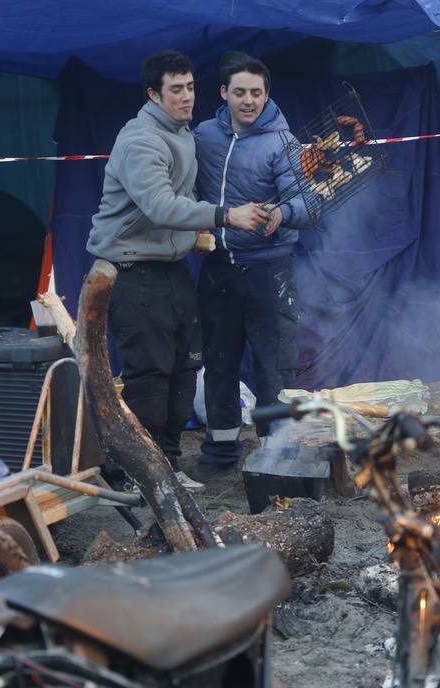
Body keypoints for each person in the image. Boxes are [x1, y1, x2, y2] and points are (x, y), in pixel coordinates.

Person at [87, 49, 269, 492]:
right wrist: (225, 216)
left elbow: (181, 199)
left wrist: (196, 236)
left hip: (170, 269)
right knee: (149, 377)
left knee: (183, 371)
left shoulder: (182, 133)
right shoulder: (141, 140)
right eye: (176, 90)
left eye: (190, 87)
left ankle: (167, 466)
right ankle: (133, 474)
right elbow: (160, 205)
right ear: (154, 94)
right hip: (131, 271)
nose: (186, 97)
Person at [193, 53, 309, 470]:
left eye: (256, 93)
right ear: (224, 93)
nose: (248, 100)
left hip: (270, 269)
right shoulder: (203, 135)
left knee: (274, 366)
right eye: (239, 92)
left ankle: (277, 454)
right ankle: (221, 450)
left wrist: (282, 214)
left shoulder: (284, 142)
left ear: (266, 95)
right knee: (219, 360)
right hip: (219, 267)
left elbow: (308, 201)